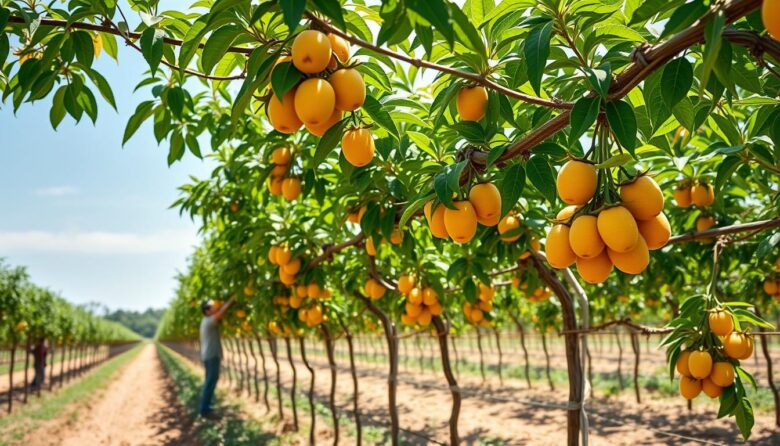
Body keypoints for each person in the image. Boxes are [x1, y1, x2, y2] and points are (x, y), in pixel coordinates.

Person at [198, 296, 234, 418]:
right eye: (212, 306)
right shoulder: (208, 321)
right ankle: (205, 410)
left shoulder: (205, 321)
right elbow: (220, 313)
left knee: (210, 381)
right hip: (211, 356)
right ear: (207, 311)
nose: (215, 307)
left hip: (209, 355)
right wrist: (231, 300)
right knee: (210, 382)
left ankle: (206, 406)